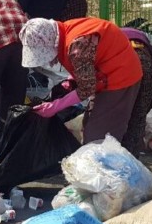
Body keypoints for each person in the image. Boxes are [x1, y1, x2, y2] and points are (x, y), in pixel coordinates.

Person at [19, 17, 143, 146]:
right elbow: (90, 60)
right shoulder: (66, 28)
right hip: (106, 73)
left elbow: (87, 88)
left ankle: (107, 164)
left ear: (51, 43)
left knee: (99, 139)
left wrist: (55, 106)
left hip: (120, 77)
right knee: (90, 127)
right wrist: (73, 78)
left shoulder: (77, 47)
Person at [120, 27, 152, 155]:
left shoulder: (113, 38)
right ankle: (132, 157)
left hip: (124, 66)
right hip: (145, 66)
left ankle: (123, 155)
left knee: (122, 114)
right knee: (138, 116)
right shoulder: (142, 41)